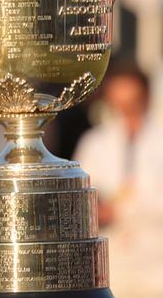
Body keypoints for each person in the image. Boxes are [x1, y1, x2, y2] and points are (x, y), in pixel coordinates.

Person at [72, 57, 163, 298]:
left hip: (156, 263)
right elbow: (81, 199)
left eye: (132, 103)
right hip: (112, 265)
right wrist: (99, 210)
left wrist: (127, 208)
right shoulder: (95, 142)